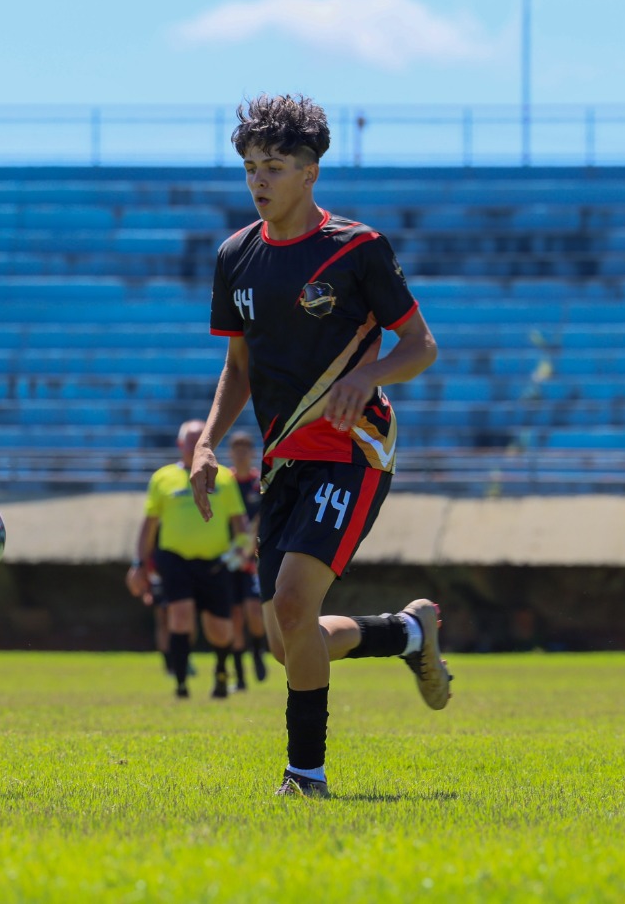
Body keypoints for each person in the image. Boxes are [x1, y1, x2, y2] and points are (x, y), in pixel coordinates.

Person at [191, 93, 450, 798]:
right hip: (283, 462)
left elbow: (420, 346)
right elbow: (238, 369)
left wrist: (366, 374)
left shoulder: (358, 251)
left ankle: (305, 778)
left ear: (309, 172)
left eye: (273, 166)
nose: (258, 180)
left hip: (355, 447)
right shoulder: (235, 257)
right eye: (249, 167)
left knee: (295, 605)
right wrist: (209, 443)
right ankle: (406, 635)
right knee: (287, 640)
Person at [132, 419, 249, 700]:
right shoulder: (163, 478)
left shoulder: (224, 478)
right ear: (180, 444)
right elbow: (149, 525)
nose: (194, 446)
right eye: (190, 440)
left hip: (215, 563)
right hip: (175, 561)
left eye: (200, 440)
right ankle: (181, 683)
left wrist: (241, 549)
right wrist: (139, 563)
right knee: (180, 615)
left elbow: (240, 523)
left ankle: (221, 671)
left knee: (219, 629)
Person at [226, 431, 269, 689]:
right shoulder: (225, 483)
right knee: (234, 616)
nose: (241, 453)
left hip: (252, 559)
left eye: (245, 447)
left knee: (254, 611)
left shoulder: (259, 484)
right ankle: (239, 676)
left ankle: (257, 651)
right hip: (230, 559)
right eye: (236, 448)